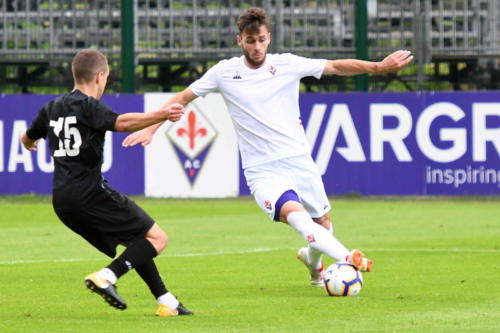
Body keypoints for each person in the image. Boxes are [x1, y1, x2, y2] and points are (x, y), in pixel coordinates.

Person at [122, 8, 413, 286]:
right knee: (298, 219)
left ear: (268, 38)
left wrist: (378, 67)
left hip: (299, 161)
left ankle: (314, 266)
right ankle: (349, 257)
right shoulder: (224, 72)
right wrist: (151, 127)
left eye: (261, 40)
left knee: (322, 222)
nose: (257, 46)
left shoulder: (287, 64)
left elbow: (335, 66)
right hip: (262, 170)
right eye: (250, 41)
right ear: (240, 41)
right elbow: (184, 98)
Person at [21, 49, 193, 316]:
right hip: (89, 194)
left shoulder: (51, 108)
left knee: (138, 242)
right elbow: (122, 123)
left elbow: (27, 137)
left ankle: (167, 302)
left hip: (62, 202)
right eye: (107, 78)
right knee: (158, 238)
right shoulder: (88, 105)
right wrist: (161, 115)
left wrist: (30, 144)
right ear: (100, 76)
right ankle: (107, 277)